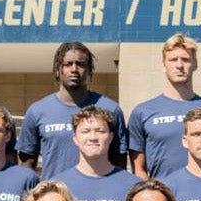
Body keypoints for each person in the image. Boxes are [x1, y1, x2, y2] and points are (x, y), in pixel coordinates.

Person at [126, 33, 201, 178]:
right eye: (173, 59)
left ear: (195, 64)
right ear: (163, 65)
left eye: (185, 60)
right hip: (161, 191)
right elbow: (138, 170)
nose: (179, 65)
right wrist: (151, 190)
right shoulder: (142, 112)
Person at [17, 41, 126, 176]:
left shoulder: (110, 109)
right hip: (54, 188)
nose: (74, 69)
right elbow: (26, 165)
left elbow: (119, 162)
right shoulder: (37, 111)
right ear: (58, 69)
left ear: (89, 70)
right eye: (68, 64)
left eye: (80, 64)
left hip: (97, 188)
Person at [54, 107, 141, 201]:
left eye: (100, 131)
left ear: (111, 137)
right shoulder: (57, 187)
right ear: (75, 138)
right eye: (85, 131)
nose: (93, 137)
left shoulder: (134, 186)